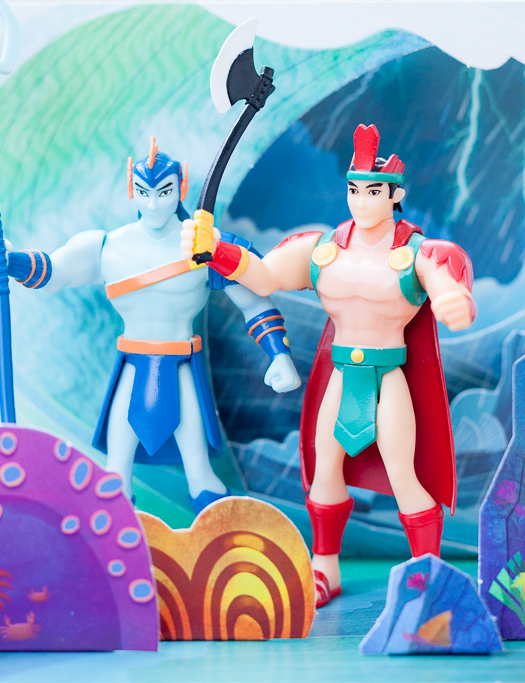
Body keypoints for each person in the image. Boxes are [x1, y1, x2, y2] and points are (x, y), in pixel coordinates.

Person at [182, 124, 474, 606]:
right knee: (325, 471)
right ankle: (325, 568)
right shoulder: (323, 249)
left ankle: (428, 572)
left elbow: (447, 284)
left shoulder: (416, 253)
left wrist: (451, 301)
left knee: (403, 474)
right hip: (341, 377)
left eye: (373, 191)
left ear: (395, 195)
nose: (361, 201)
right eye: (354, 190)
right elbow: (265, 277)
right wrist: (218, 250)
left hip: (388, 378)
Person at [0, 137, 300, 513]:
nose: (153, 204)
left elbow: (254, 301)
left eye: (164, 192)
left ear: (181, 186)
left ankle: (214, 521)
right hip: (133, 367)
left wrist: (279, 354)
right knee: (116, 472)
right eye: (144, 192)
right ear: (132, 188)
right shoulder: (107, 247)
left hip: (181, 366)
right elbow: (53, 270)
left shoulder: (207, 247)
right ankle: (116, 525)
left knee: (200, 473)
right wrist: (6, 260)